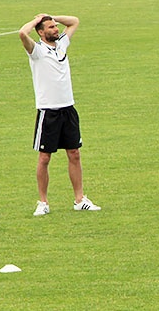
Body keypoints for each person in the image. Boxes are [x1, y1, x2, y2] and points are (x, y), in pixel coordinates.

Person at [19, 13, 100, 216]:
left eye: (56, 26)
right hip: (48, 112)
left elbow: (74, 21)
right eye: (51, 27)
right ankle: (43, 202)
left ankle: (80, 199)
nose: (56, 29)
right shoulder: (36, 51)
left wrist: (52, 15)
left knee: (74, 154)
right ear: (40, 32)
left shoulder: (62, 44)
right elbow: (22, 33)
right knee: (45, 158)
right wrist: (36, 20)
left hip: (68, 109)